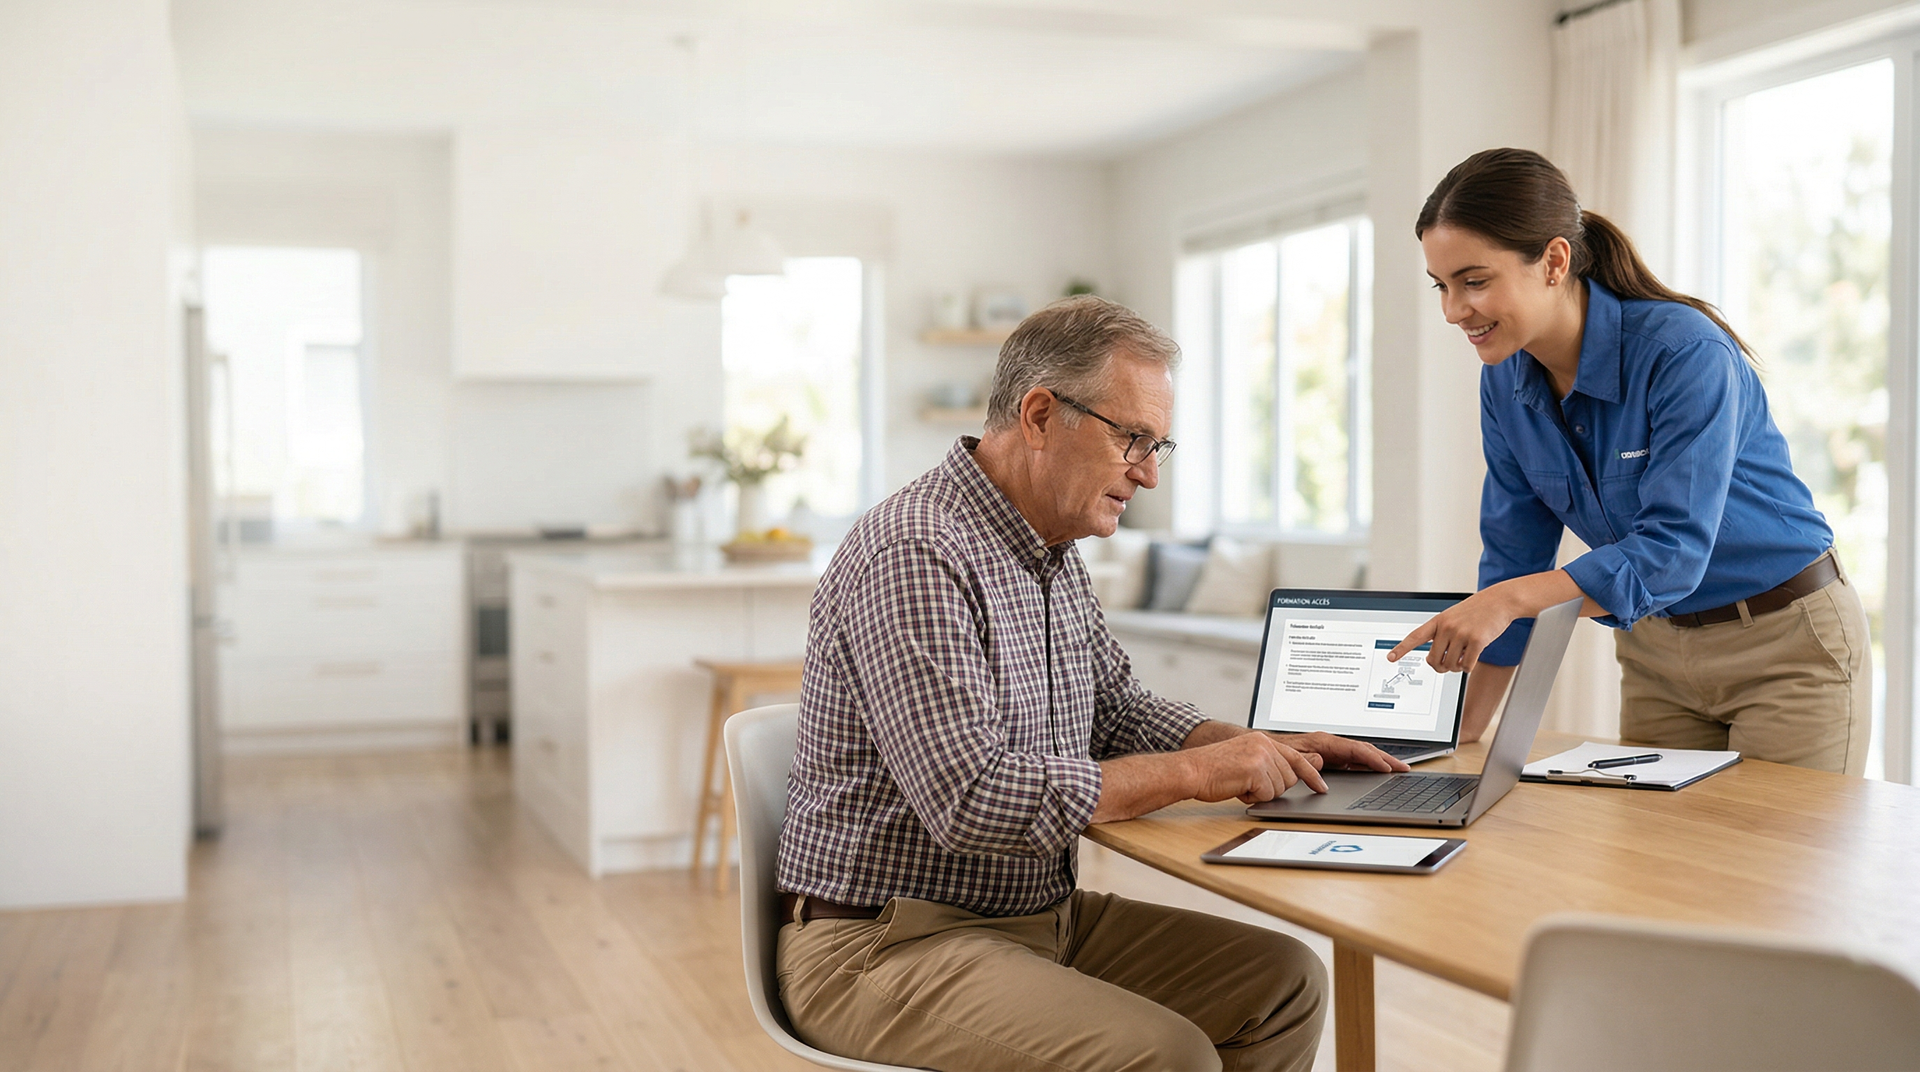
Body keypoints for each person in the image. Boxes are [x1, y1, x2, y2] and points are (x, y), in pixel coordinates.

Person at [775, 295, 1409, 1072]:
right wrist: (1194, 773)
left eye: (1157, 445)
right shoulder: (917, 551)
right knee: (1166, 1055)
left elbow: (1116, 707)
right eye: (1131, 439)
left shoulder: (1049, 549)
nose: (1146, 473)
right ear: (1040, 416)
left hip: (1038, 915)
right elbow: (972, 799)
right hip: (884, 941)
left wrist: (1252, 746)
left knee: (1283, 984)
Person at [1389, 147, 1871, 776]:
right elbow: (1514, 555)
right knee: (1655, 868)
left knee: (1775, 871)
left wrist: (1509, 600)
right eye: (1443, 286)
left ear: (1554, 261)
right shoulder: (1504, 382)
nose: (1454, 311)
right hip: (1654, 653)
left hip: (1784, 643)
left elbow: (1671, 550)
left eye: (1474, 281)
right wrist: (1463, 735)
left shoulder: (1683, 351)